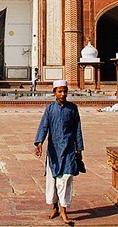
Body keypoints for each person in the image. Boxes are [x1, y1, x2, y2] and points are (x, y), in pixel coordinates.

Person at [34, 79, 84, 225]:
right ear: (54, 92)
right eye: (60, 91)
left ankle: (64, 210)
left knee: (66, 179)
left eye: (64, 91)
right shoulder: (50, 109)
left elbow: (77, 130)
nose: (62, 94)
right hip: (54, 151)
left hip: (68, 149)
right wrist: (39, 143)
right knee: (53, 180)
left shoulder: (72, 109)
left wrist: (79, 149)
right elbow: (44, 126)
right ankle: (55, 207)